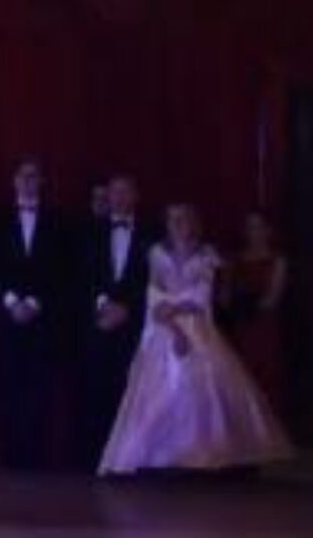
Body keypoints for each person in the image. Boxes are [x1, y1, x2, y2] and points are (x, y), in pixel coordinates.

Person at [99, 205, 293, 475]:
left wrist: (177, 307)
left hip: (198, 328)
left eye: (185, 218)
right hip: (164, 330)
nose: (179, 224)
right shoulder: (156, 253)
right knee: (158, 390)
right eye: (174, 219)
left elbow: (202, 298)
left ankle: (201, 456)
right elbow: (155, 297)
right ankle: (159, 457)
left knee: (204, 388)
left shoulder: (207, 255)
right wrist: (173, 327)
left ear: (194, 223)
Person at [0, 158, 71, 470]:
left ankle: (37, 457)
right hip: (6, 320)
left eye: (34, 176)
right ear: (14, 181)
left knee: (39, 388)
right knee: (9, 386)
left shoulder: (57, 223)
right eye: (23, 176)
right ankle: (10, 457)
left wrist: (33, 303)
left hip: (43, 320)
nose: (28, 182)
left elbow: (61, 270)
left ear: (42, 181)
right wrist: (12, 302)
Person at [80, 174, 152, 469]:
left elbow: (154, 278)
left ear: (136, 196)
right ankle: (100, 459)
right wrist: (103, 304)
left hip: (135, 326)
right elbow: (82, 274)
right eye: (115, 192)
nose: (120, 198)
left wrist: (128, 309)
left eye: (126, 191)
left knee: (133, 392)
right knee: (98, 392)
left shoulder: (151, 233)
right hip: (98, 324)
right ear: (107, 196)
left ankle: (131, 460)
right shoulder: (90, 231)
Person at [224, 210, 289, 418]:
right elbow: (224, 297)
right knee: (241, 374)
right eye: (251, 227)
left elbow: (272, 299)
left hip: (264, 326)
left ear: (268, 230)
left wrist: (246, 301)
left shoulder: (277, 260)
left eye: (259, 227)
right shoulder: (234, 261)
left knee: (266, 374)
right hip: (239, 327)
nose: (255, 232)